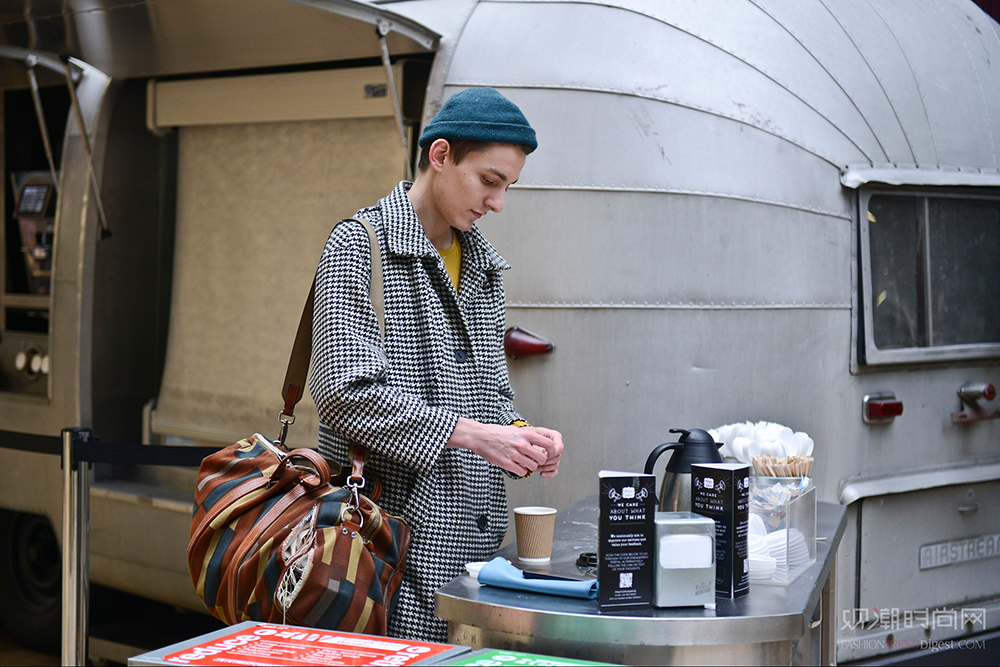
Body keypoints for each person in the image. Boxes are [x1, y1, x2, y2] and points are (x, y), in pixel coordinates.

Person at [309, 87, 565, 642]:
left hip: (476, 558)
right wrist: (473, 436)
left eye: (508, 188)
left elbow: (492, 396)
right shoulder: (360, 244)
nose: (497, 202)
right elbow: (342, 390)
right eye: (490, 181)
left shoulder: (482, 266)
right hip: (384, 555)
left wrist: (520, 436)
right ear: (441, 155)